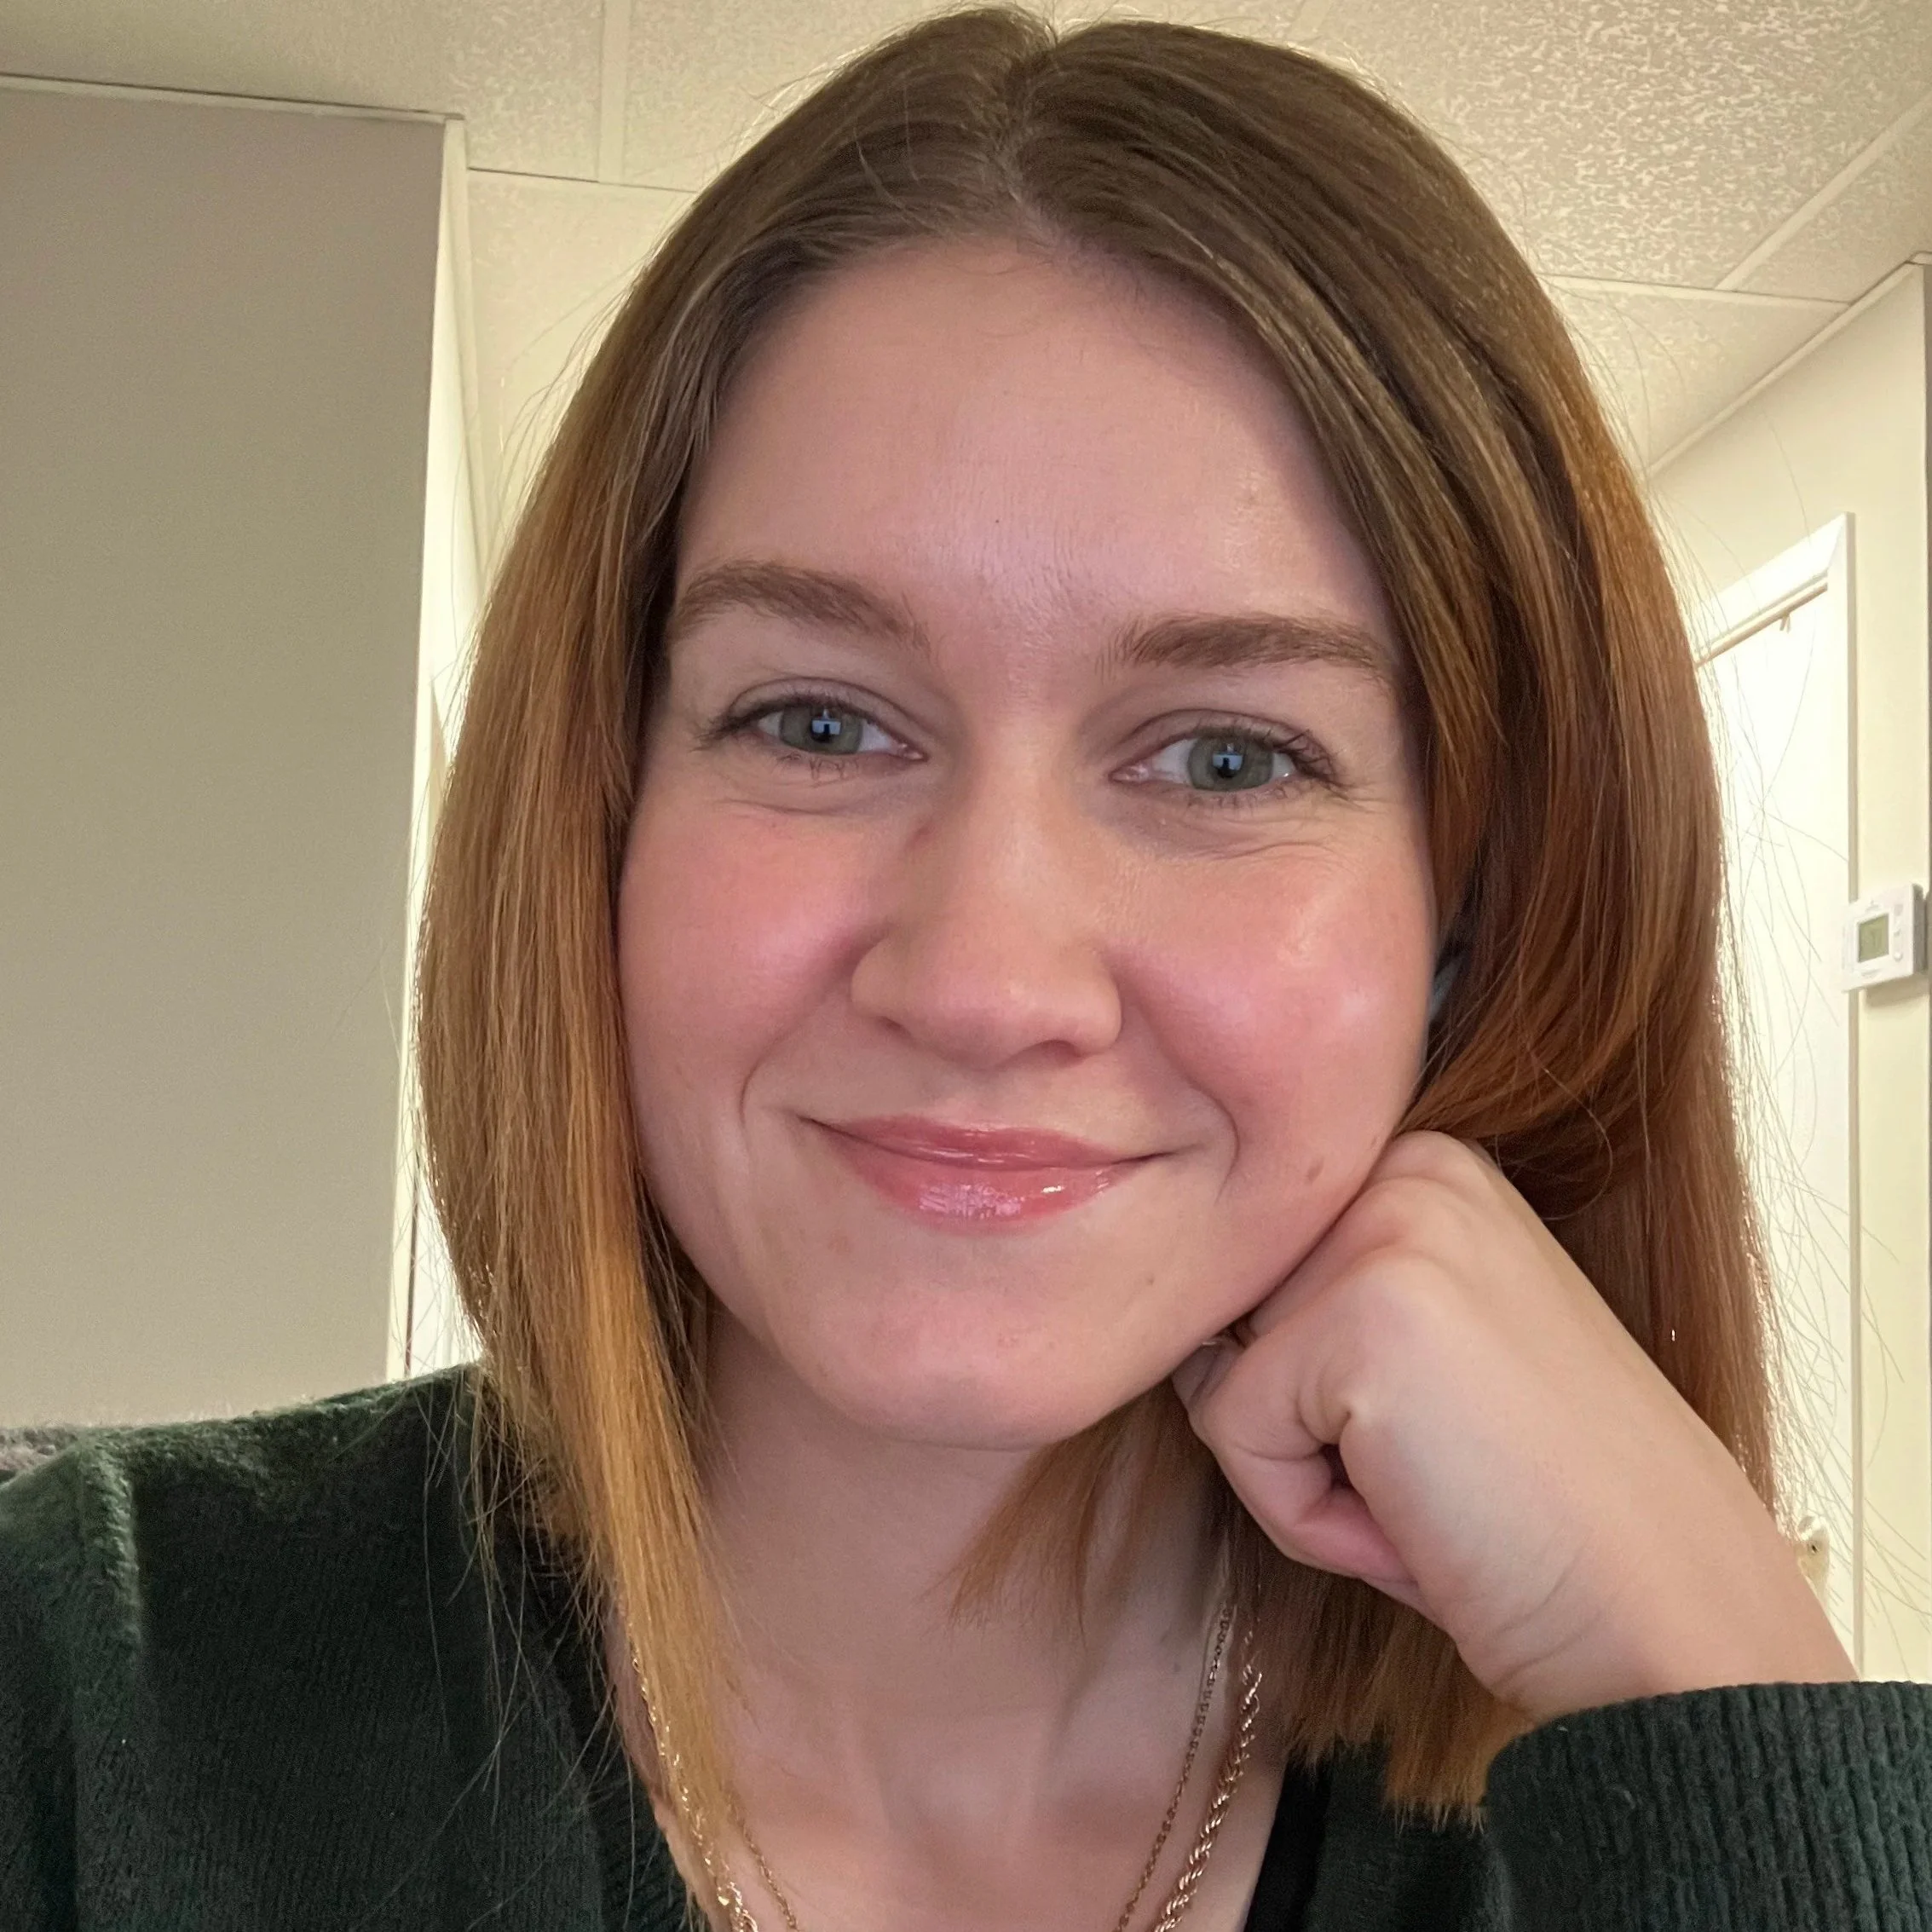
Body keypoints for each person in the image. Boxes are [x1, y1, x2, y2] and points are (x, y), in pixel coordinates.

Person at [3, 9, 1926, 1929]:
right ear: (595, 817)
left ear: (1471, 914)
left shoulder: (1619, 1822)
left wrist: (1735, 1718)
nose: (985, 980)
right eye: (818, 723)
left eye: (1225, 757)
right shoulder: (77, 1694)